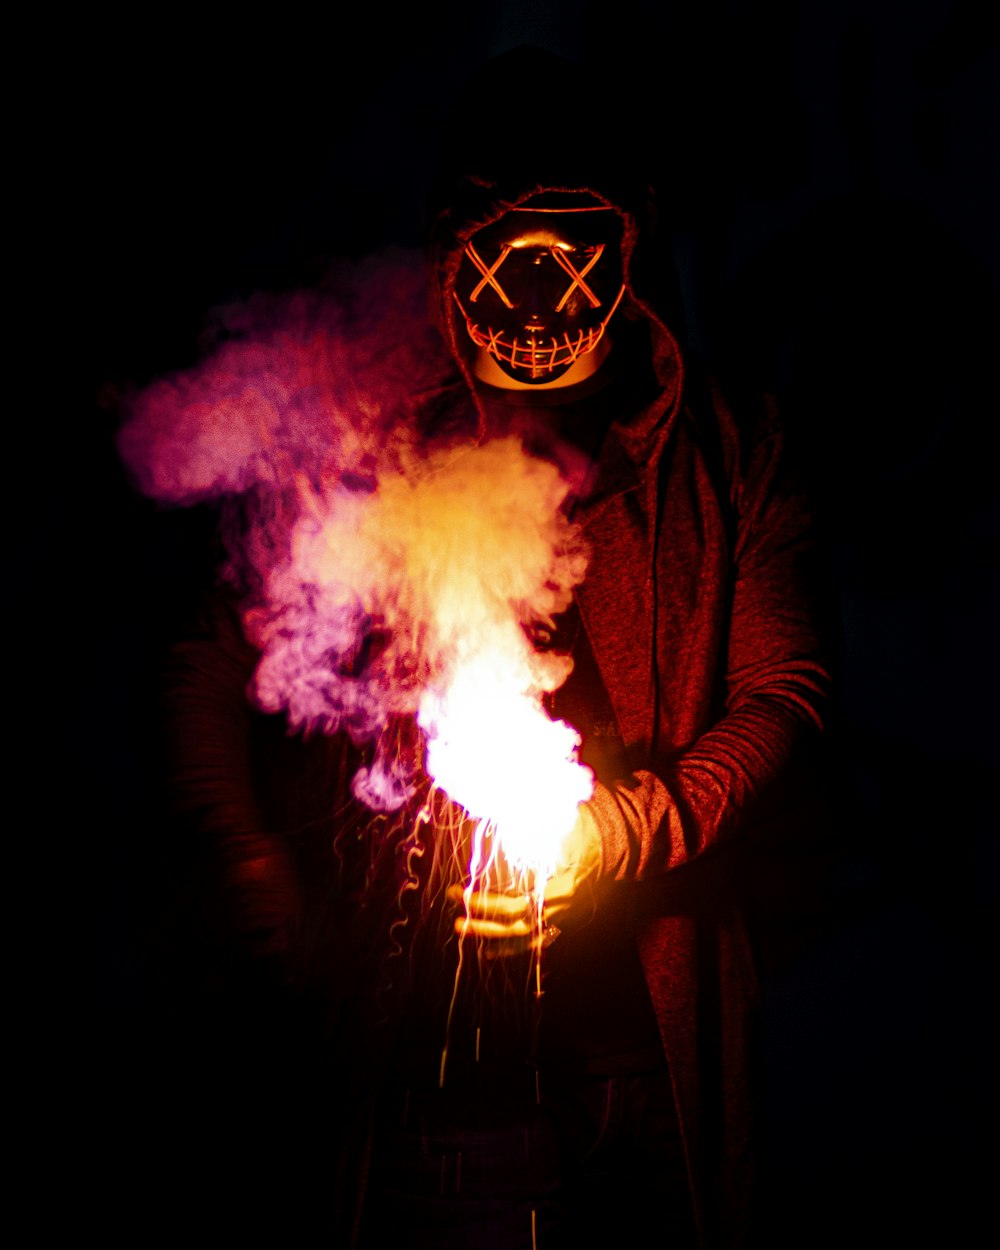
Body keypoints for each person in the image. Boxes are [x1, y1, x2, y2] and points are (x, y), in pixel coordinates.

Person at [130, 45, 834, 1250]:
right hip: (433, 1069)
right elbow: (209, 647)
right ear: (452, 252)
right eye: (500, 250)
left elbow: (785, 693)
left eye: (567, 246)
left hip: (655, 1048)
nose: (536, 294)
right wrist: (247, 855)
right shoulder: (380, 435)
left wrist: (616, 832)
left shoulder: (730, 448)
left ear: (631, 244)